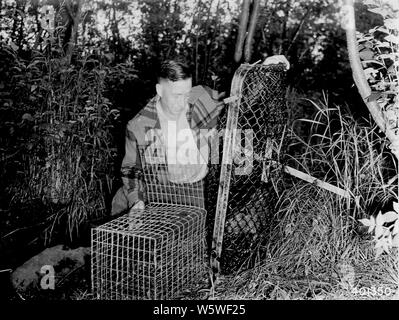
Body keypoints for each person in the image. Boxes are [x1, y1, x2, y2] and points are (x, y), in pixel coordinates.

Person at [111, 56, 289, 216]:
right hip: (161, 190)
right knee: (121, 200)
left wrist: (262, 73)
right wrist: (137, 200)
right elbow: (131, 169)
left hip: (198, 190)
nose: (182, 103)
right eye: (176, 95)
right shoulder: (139, 125)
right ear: (160, 90)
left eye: (186, 94)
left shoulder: (201, 98)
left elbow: (241, 101)